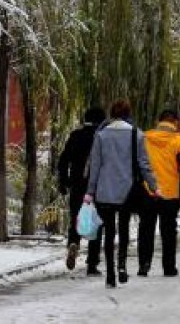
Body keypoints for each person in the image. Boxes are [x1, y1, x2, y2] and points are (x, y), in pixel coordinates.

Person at [85, 99, 159, 288]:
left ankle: (110, 274)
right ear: (128, 114)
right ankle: (122, 267)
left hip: (105, 191)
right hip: (127, 191)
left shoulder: (101, 135)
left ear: (112, 114)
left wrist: (90, 191)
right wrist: (154, 186)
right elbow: (144, 165)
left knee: (109, 232)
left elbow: (95, 166)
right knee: (124, 229)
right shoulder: (137, 134)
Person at [138, 107, 180, 277]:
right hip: (170, 194)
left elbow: (139, 163)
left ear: (159, 121)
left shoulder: (145, 137)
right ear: (175, 122)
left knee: (146, 230)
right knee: (168, 233)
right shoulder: (179, 140)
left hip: (148, 191)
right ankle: (169, 267)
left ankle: (144, 265)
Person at [57, 105, 106, 274]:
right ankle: (92, 264)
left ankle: (74, 242)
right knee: (97, 223)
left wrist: (64, 182)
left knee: (76, 218)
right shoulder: (103, 137)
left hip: (78, 185)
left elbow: (63, 160)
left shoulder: (76, 136)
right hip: (98, 187)